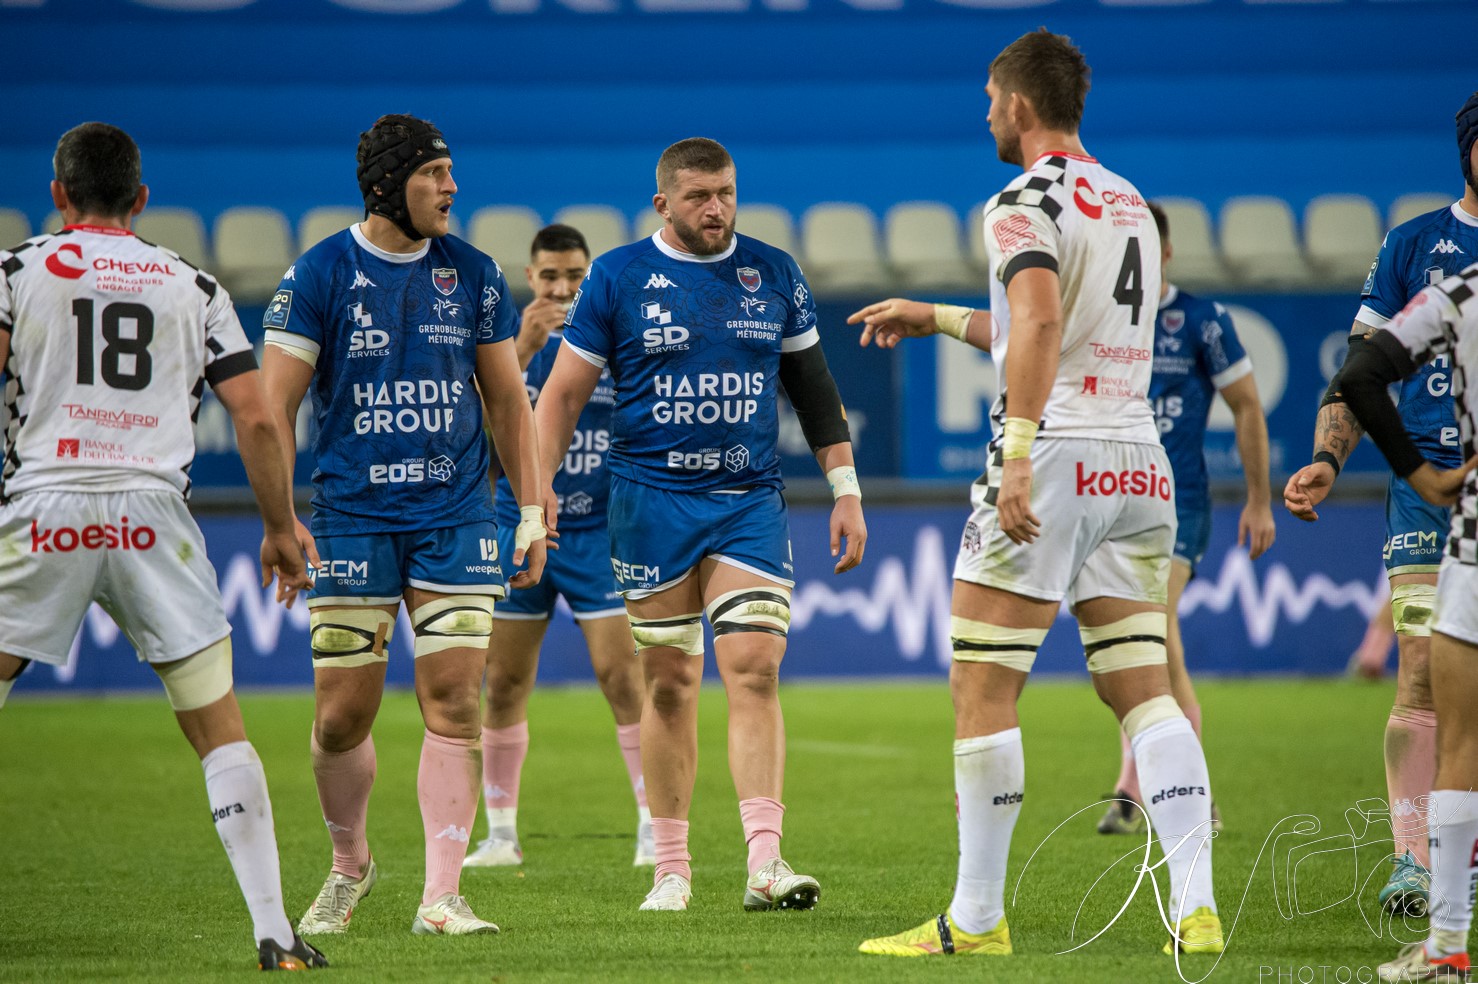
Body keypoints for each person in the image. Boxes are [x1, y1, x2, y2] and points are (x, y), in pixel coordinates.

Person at [848, 29, 1221, 958]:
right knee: (1143, 687)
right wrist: (932, 315)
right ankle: (1197, 905)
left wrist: (1016, 455)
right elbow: (1054, 328)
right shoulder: (1130, 200)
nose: (985, 113)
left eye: (988, 98)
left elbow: (1044, 319)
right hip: (1138, 460)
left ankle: (975, 920)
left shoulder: (1021, 198)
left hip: (1054, 455)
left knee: (981, 681)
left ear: (1017, 105)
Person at [0, 122, 326, 971]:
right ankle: (274, 932)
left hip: (44, 504)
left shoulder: (17, 268)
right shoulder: (194, 283)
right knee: (219, 726)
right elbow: (256, 416)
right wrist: (280, 527)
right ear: (142, 200)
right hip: (154, 514)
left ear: (59, 194)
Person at [532, 137, 866, 912]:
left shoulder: (774, 273)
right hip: (649, 504)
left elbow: (814, 390)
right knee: (672, 682)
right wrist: (535, 494)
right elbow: (560, 399)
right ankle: (672, 868)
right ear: (663, 204)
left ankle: (765, 864)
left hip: (747, 500)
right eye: (698, 197)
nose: (715, 208)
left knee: (753, 664)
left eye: (725, 192)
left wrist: (844, 488)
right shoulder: (616, 276)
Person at [261, 114, 548, 937]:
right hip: (351, 518)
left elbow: (504, 400)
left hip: (455, 516)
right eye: (436, 174)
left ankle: (443, 895)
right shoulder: (319, 273)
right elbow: (274, 409)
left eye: (453, 173)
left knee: (455, 699)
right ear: (390, 183)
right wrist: (281, 519)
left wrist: (529, 511)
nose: (452, 188)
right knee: (340, 718)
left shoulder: (476, 273)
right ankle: (349, 865)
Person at [1284, 90, 1478, 918]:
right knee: (1425, 671)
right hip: (1428, 493)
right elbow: (1362, 369)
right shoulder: (1415, 247)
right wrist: (1330, 457)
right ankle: (1413, 862)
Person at [463, 224, 653, 869]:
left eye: (575, 276)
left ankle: (654, 825)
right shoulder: (502, 349)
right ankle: (501, 835)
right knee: (505, 681)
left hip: (597, 531)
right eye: (550, 277)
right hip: (518, 528)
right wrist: (520, 348)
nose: (563, 289)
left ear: (590, 275)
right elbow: (471, 441)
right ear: (530, 277)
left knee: (622, 677)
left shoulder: (610, 340)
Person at [1314, 262, 1478, 983]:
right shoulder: (1443, 271)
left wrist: (1419, 473)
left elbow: (1362, 373)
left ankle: (1447, 938)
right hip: (1455, 523)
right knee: (1437, 697)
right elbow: (1359, 375)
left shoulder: (1464, 290)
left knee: (1458, 720)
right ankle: (1427, 894)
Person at [1096, 201, 1276, 836]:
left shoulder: (1201, 320)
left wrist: (1259, 499)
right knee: (1129, 643)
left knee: (1154, 626)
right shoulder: (1098, 313)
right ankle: (1135, 787)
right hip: (1108, 499)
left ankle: (1188, 794)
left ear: (1164, 252)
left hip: (1181, 501)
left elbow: (1248, 406)